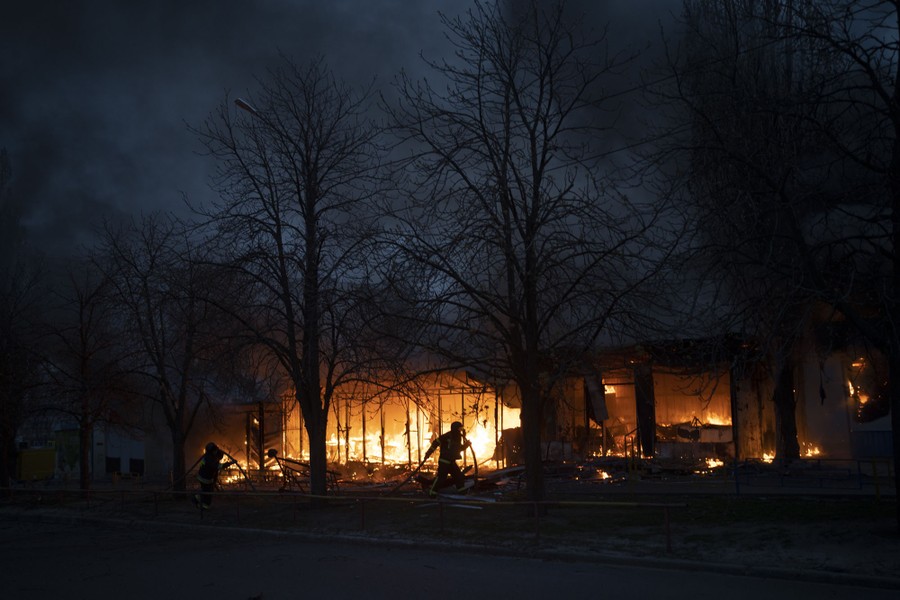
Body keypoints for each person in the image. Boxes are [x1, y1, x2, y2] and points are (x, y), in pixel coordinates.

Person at [423, 421, 471, 497]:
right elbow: (435, 443)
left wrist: (466, 445)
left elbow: (458, 449)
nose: (461, 431)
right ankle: (432, 493)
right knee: (441, 479)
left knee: (458, 477)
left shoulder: (457, 438)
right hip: (444, 462)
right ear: (455, 429)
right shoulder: (447, 436)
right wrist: (428, 454)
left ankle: (462, 493)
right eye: (460, 429)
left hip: (451, 462)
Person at [193, 442, 234, 509]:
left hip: (203, 477)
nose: (216, 451)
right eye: (215, 450)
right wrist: (230, 463)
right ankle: (204, 506)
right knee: (208, 493)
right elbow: (219, 466)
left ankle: (196, 498)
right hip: (205, 478)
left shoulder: (208, 456)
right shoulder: (210, 459)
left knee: (206, 491)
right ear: (212, 451)